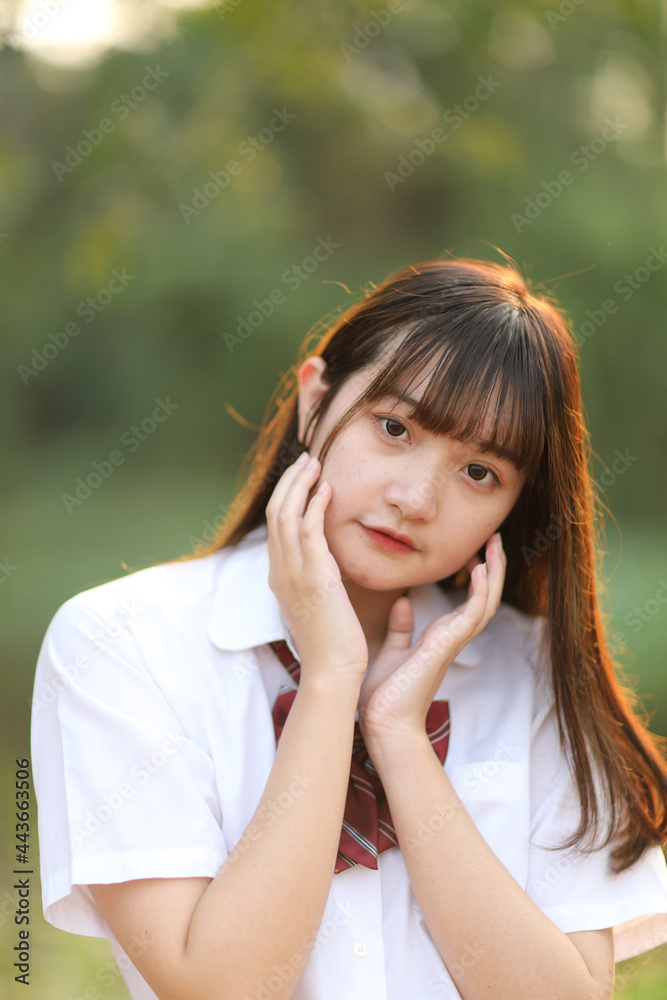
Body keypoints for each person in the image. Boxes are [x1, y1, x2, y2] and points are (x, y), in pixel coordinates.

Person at [31, 255, 667, 1000]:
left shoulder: (531, 675)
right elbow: (220, 989)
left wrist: (398, 737)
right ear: (314, 401)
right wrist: (331, 681)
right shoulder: (124, 642)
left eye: (478, 473)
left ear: (515, 504)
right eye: (394, 427)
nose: (415, 498)